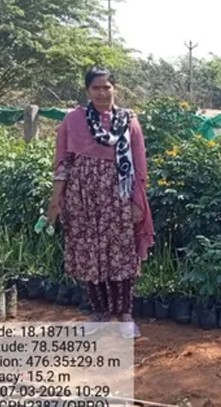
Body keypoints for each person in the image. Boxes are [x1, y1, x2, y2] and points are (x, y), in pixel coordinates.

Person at [46, 67, 154, 339]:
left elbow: (139, 165)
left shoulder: (128, 120)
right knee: (89, 253)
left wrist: (137, 202)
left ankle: (125, 316)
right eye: (96, 88)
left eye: (107, 87)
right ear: (87, 91)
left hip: (118, 197)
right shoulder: (73, 120)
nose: (102, 93)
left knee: (122, 254)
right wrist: (55, 201)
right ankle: (99, 314)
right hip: (81, 198)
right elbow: (63, 163)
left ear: (115, 89)